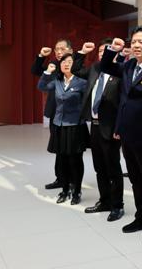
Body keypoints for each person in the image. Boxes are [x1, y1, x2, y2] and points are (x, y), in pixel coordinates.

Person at [99, 26, 142, 241]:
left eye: (141, 41)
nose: (136, 45)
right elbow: (105, 66)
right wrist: (113, 50)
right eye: (134, 42)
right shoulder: (129, 65)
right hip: (127, 133)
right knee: (136, 178)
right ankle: (141, 217)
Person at [71, 39, 125, 222]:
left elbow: (123, 103)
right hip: (94, 126)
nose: (103, 53)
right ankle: (105, 201)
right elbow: (76, 70)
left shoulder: (120, 71)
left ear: (115, 52)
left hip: (111, 127)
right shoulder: (95, 68)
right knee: (99, 167)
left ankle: (117, 205)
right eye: (101, 51)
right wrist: (81, 52)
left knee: (113, 168)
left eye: (107, 50)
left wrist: (119, 127)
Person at [37, 53, 88, 205]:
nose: (66, 64)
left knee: (75, 161)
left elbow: (88, 102)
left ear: (75, 65)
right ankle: (65, 190)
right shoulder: (57, 81)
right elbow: (41, 86)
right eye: (63, 62)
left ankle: (77, 191)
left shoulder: (81, 83)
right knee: (63, 161)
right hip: (59, 126)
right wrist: (47, 72)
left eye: (69, 61)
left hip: (75, 126)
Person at [31, 39, 72, 190]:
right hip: (55, 113)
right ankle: (60, 179)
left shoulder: (76, 66)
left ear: (70, 50)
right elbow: (35, 70)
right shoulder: (53, 65)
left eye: (62, 49)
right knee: (58, 148)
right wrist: (41, 55)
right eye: (56, 49)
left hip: (71, 115)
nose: (59, 52)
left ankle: (73, 180)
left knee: (70, 150)